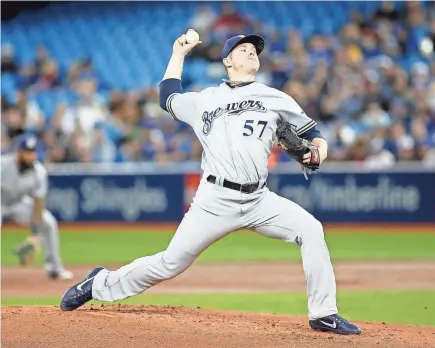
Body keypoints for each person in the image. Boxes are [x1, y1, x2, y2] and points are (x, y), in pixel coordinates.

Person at [60, 32, 361, 335]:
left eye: (255, 50)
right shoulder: (205, 99)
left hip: (259, 199)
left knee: (311, 229)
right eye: (243, 50)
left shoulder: (276, 98)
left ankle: (323, 313)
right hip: (215, 199)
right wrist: (178, 53)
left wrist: (318, 152)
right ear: (228, 60)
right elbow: (167, 97)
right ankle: (99, 282)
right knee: (169, 263)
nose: (251, 53)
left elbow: (315, 134)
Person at [2, 135, 73, 280]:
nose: (30, 156)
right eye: (27, 152)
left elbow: (38, 203)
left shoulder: (39, 171)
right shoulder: (3, 165)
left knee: (49, 223)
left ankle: (55, 269)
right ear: (19, 152)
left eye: (33, 152)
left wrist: (34, 234)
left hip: (18, 203)